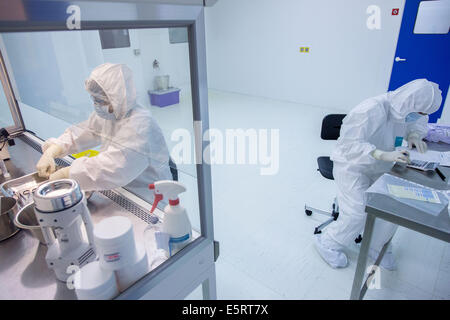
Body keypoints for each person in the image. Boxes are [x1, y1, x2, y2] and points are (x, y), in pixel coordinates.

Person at [314, 79, 443, 270]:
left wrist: (414, 135)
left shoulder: (410, 111)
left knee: (393, 207)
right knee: (357, 212)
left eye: (425, 114)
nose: (421, 116)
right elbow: (349, 145)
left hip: (383, 165)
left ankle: (376, 247)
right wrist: (379, 153)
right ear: (410, 102)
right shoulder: (371, 109)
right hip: (352, 165)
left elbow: (417, 123)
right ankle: (327, 243)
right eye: (420, 112)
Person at [36, 63, 173, 195]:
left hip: (148, 195)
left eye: (101, 100)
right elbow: (83, 132)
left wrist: (67, 173)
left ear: (119, 98)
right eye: (94, 99)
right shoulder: (110, 114)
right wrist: (53, 150)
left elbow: (114, 168)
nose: (97, 105)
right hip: (121, 187)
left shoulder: (140, 124)